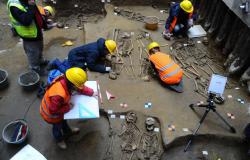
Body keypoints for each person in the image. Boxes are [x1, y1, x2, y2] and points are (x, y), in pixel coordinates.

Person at [40, 67, 97, 149]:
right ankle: (59, 140)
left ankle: (68, 131)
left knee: (64, 121)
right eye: (77, 86)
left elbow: (80, 88)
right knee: (57, 128)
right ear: (72, 85)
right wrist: (67, 107)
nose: (79, 87)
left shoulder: (68, 80)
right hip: (51, 116)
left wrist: (91, 92)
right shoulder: (59, 94)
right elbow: (53, 110)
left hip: (58, 110)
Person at [7, 0, 50, 75]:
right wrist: (31, 6)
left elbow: (36, 13)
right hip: (29, 36)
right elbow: (26, 21)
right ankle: (34, 68)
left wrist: (44, 24)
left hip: (37, 31)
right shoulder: (14, 6)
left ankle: (40, 61)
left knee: (40, 48)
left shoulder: (29, 1)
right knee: (33, 53)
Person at [47, 38, 117, 73]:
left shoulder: (100, 45)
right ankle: (56, 62)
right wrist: (104, 69)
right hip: (75, 57)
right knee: (68, 72)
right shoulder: (94, 52)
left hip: (77, 53)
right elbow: (91, 66)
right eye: (108, 51)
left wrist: (104, 57)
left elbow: (99, 54)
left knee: (82, 66)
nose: (108, 53)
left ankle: (66, 61)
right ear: (105, 48)